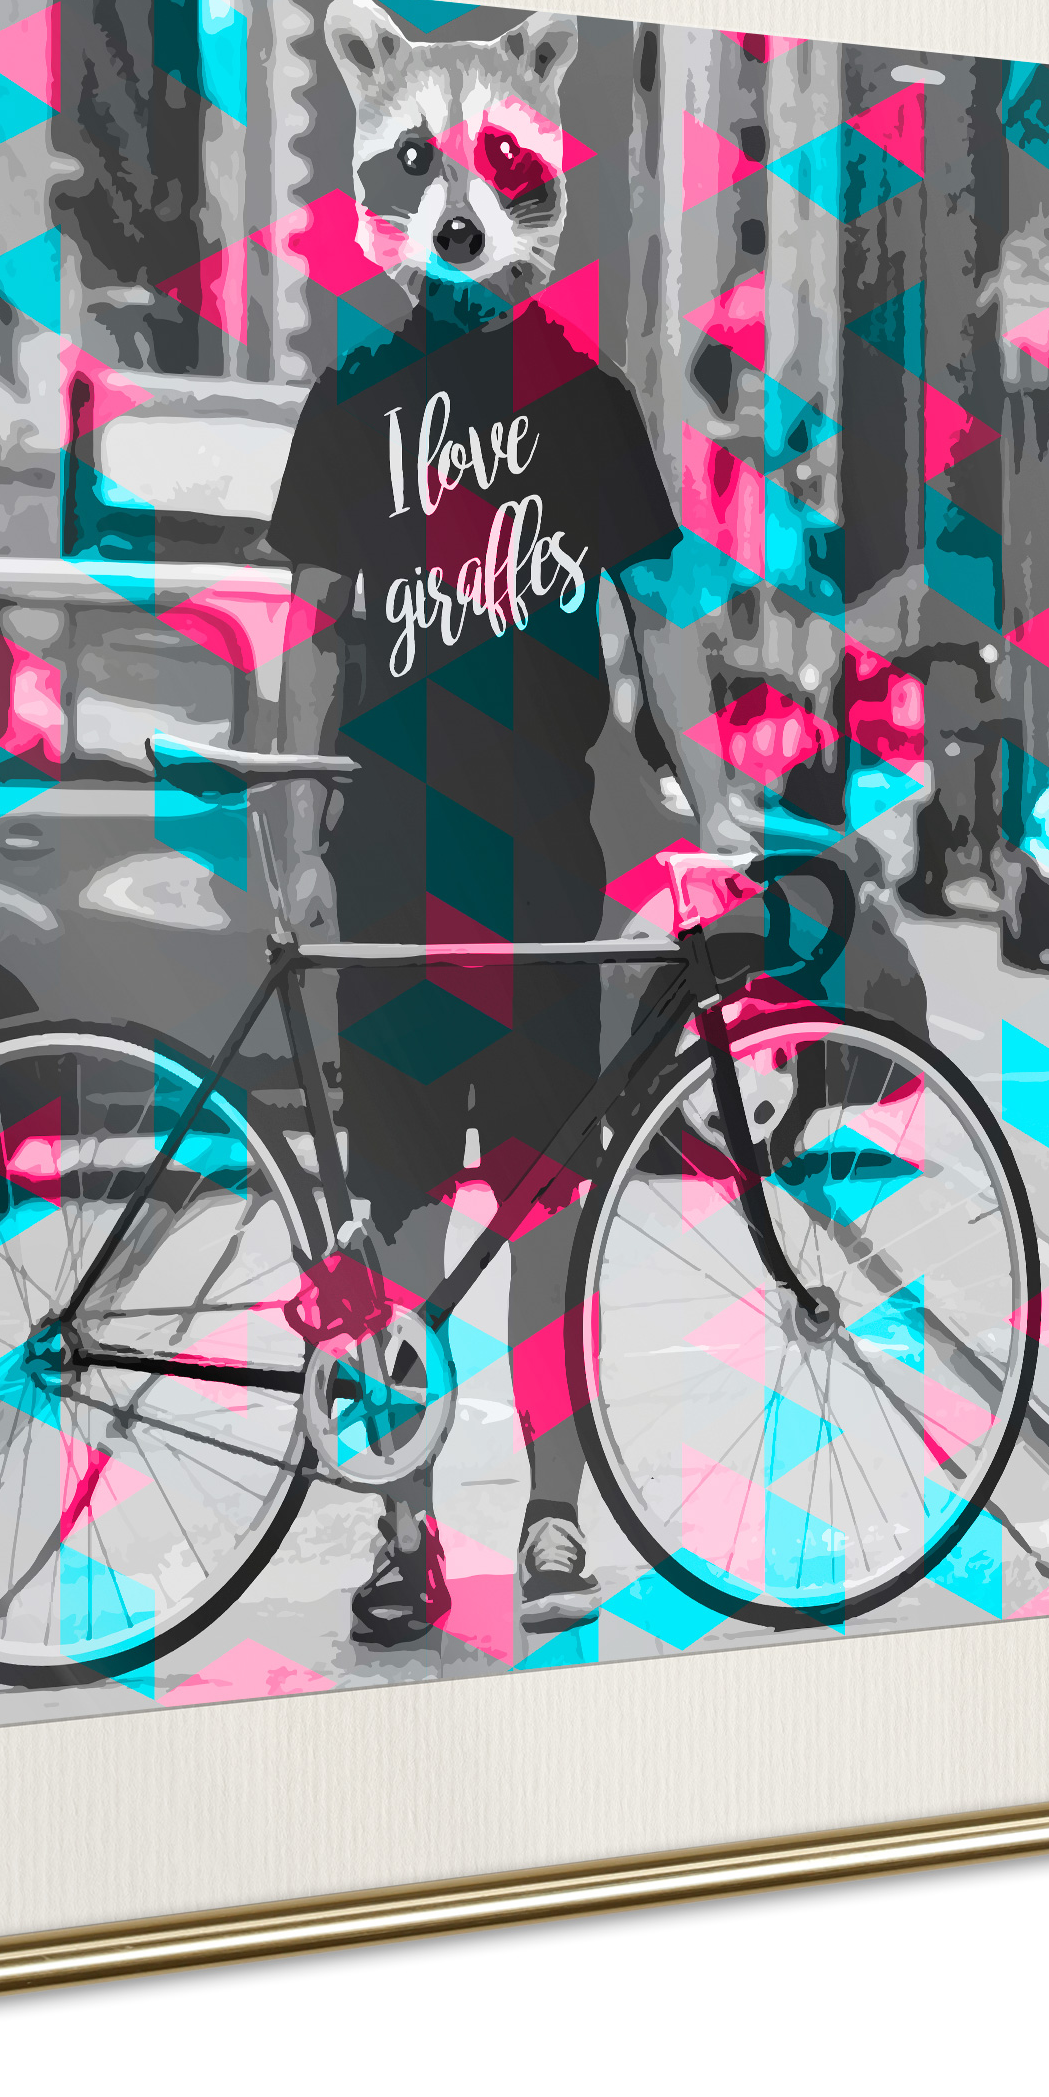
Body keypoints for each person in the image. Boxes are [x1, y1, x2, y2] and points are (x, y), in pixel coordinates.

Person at [266, 277, 738, 1646]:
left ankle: (550, 1519)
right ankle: (405, 1528)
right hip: (393, 872)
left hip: (543, 869)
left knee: (546, 1210)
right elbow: (311, 629)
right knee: (402, 1221)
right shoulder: (353, 400)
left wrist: (716, 811)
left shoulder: (586, 403)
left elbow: (659, 611)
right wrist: (295, 845)